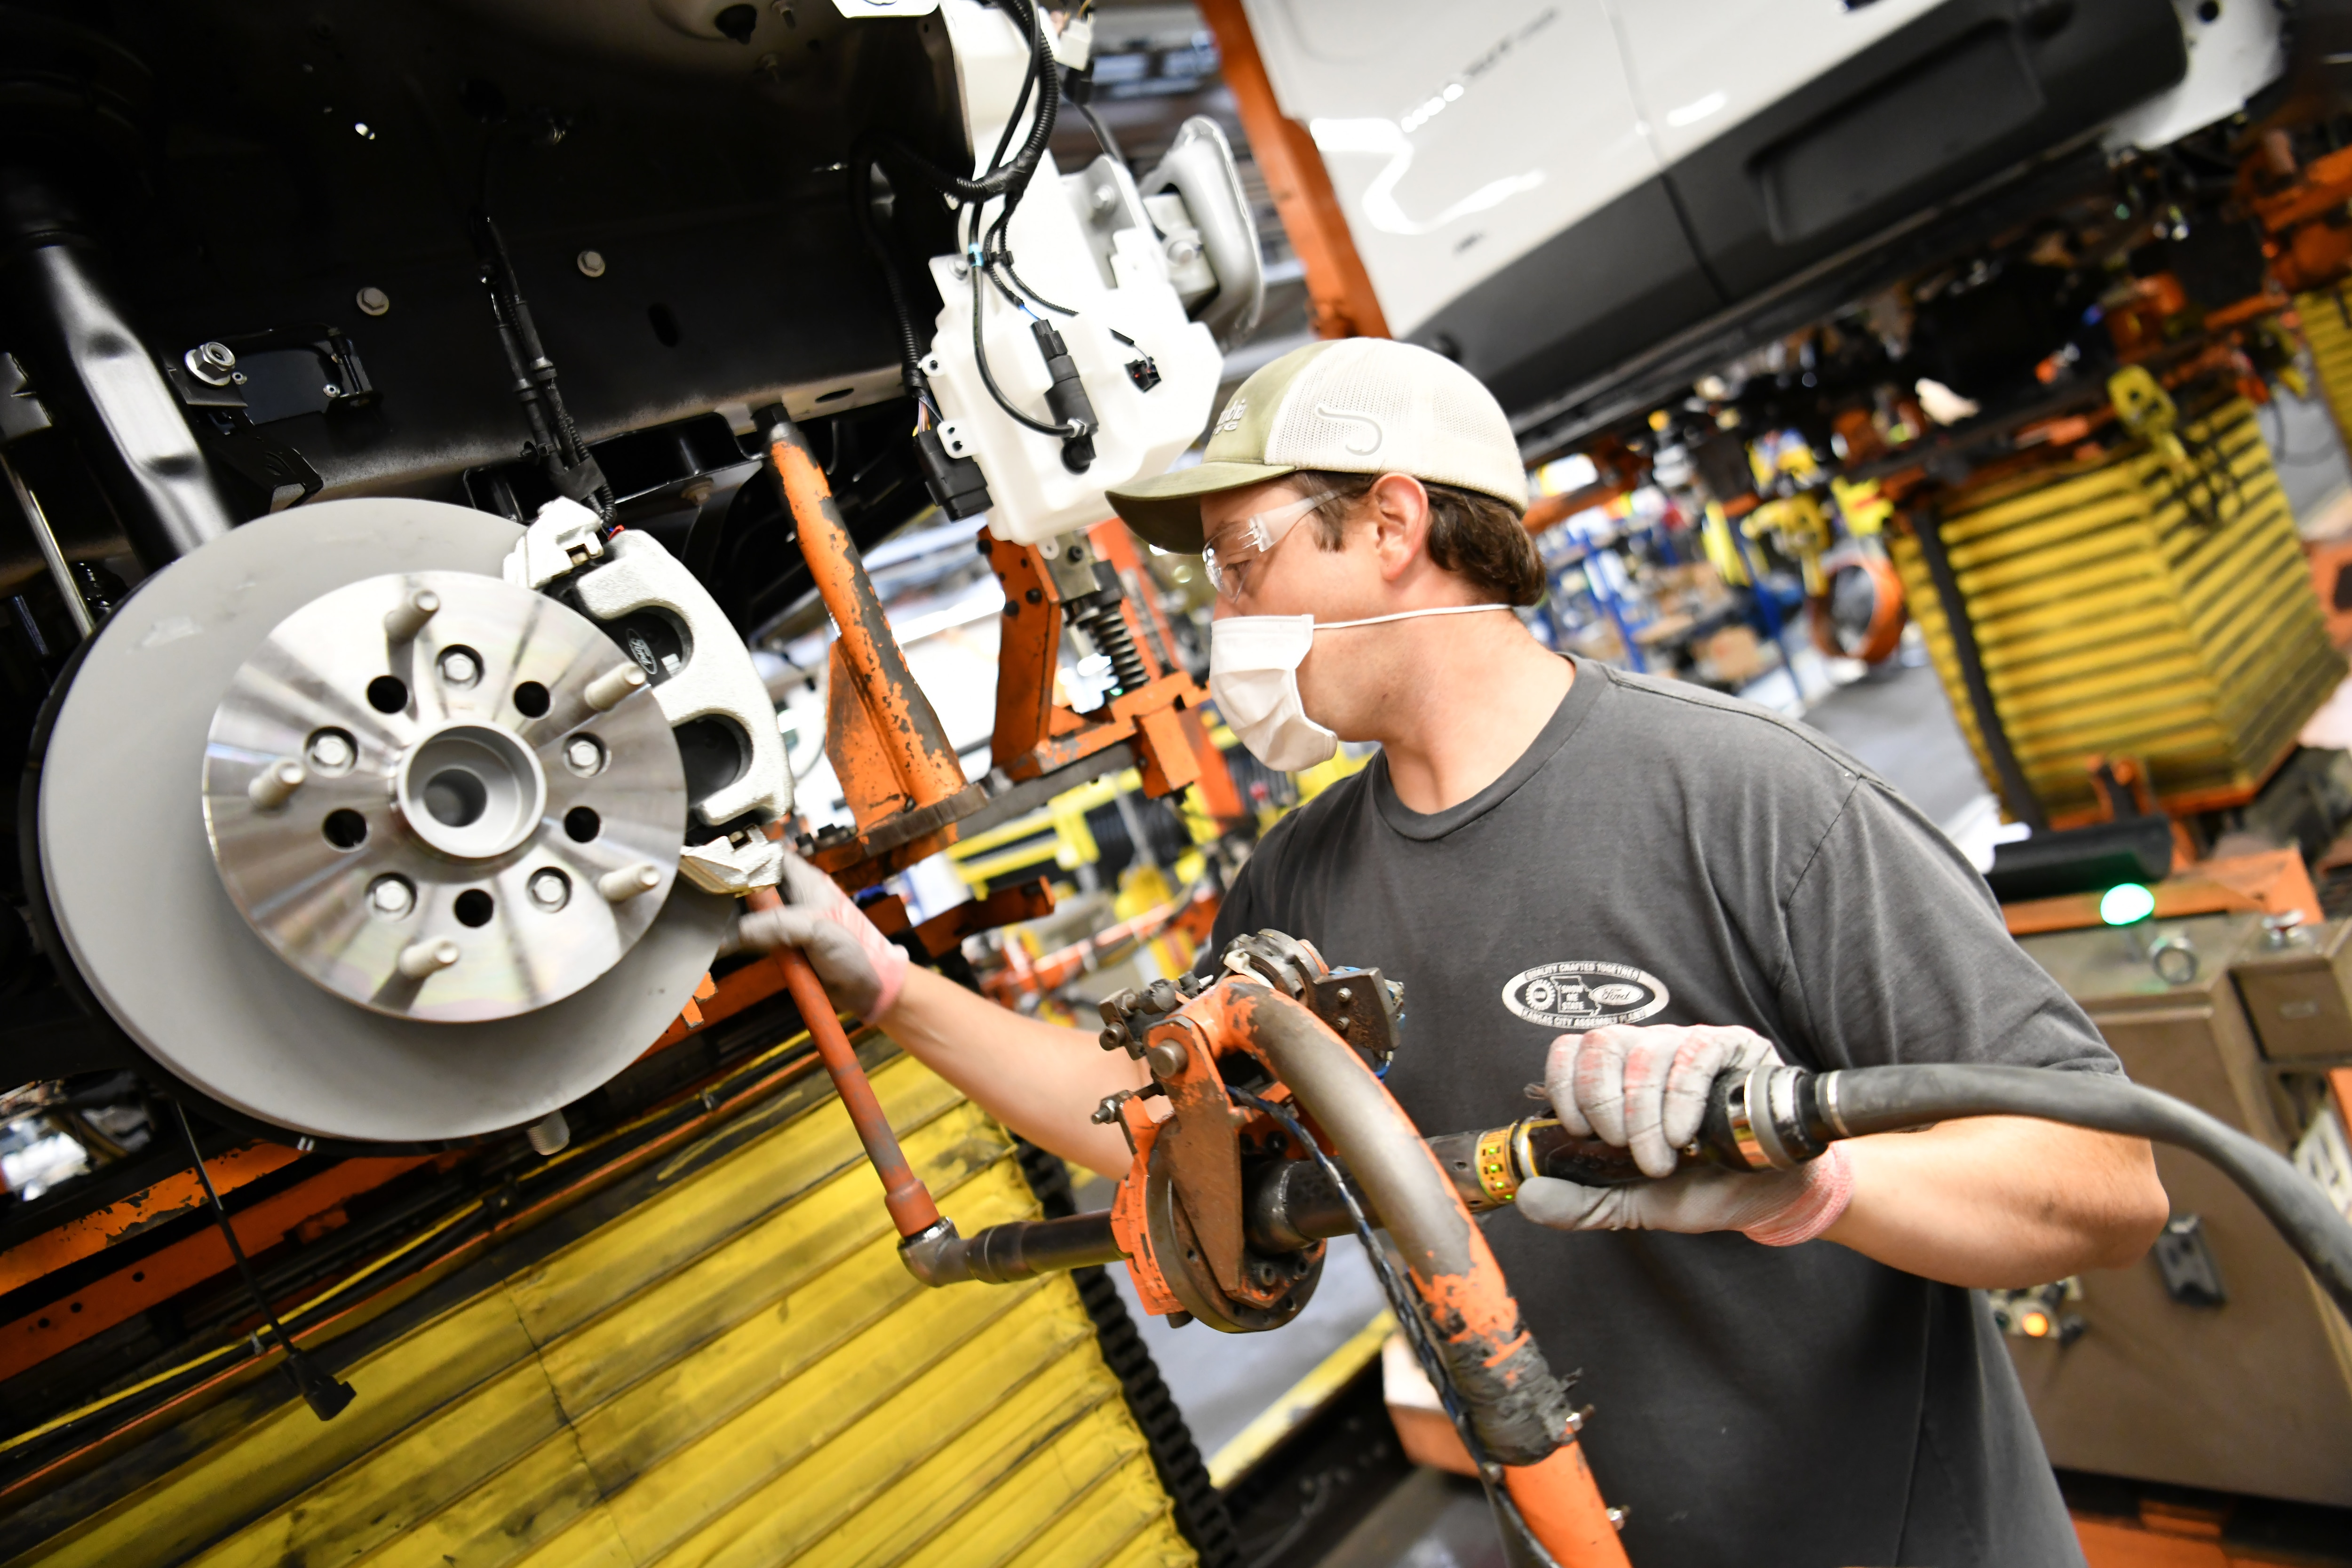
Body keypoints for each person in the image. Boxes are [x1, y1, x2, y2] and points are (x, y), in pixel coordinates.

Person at [734, 338, 2171, 1567]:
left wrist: (1824, 1183)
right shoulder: (1296, 890)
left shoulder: (1746, 798)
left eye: (1240, 564)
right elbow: (1168, 1140)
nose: (1223, 626)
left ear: (1393, 524)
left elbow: (2105, 1184)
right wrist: (893, 989)